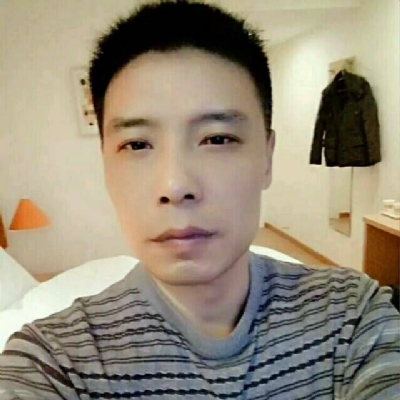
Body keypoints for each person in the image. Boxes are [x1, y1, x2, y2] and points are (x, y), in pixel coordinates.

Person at [1, 1, 399, 399]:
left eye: (217, 139)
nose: (175, 185)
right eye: (137, 144)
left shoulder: (352, 314)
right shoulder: (53, 362)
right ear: (105, 165)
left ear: (267, 158)